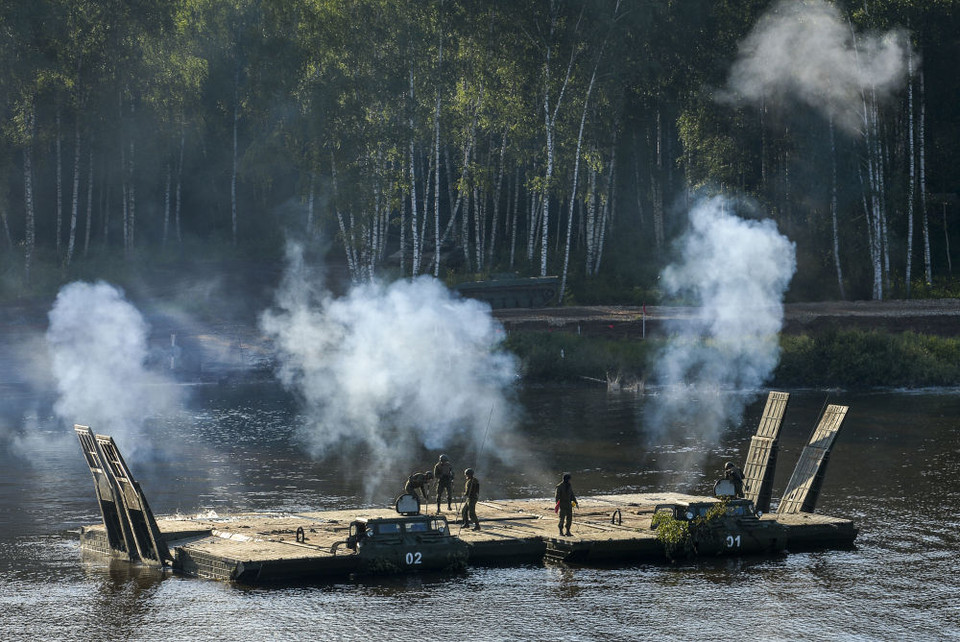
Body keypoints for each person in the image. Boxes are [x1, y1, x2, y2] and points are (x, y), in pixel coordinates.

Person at [554, 472, 577, 536]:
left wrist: (575, 503)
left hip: (569, 505)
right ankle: (561, 531)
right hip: (562, 505)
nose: (570, 480)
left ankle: (568, 531)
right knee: (562, 518)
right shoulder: (559, 486)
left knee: (569, 518)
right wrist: (557, 505)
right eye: (569, 479)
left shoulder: (569, 485)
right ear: (566, 479)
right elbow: (557, 497)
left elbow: (572, 495)